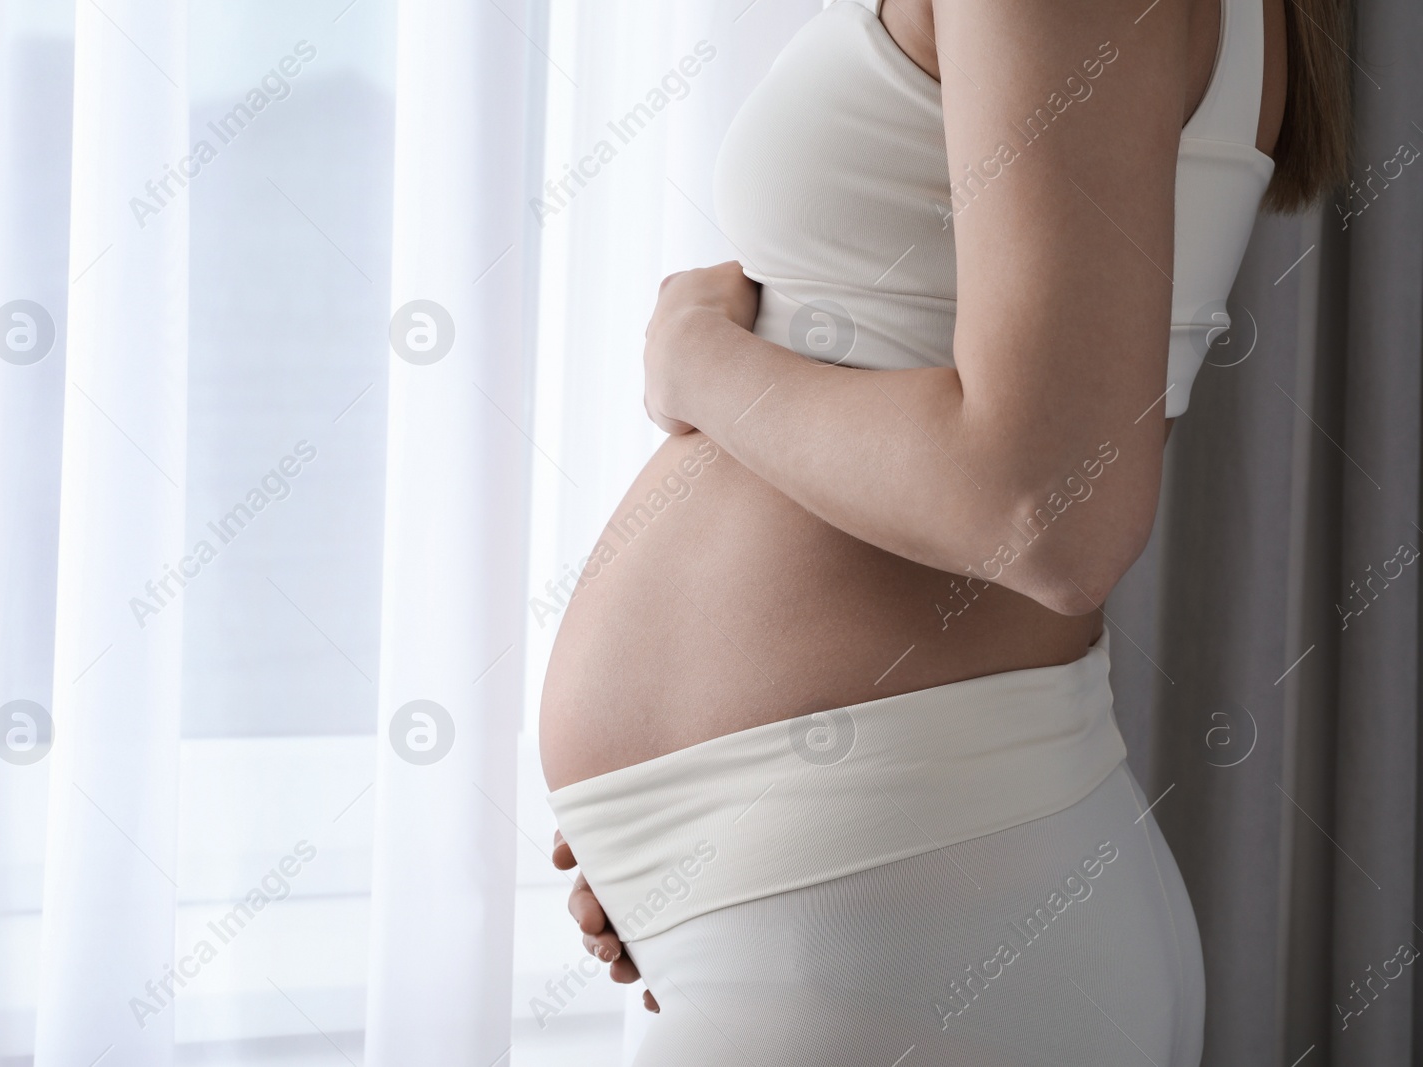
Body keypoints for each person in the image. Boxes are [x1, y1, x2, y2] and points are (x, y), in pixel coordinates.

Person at [541, 0, 1350, 1060]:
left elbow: (1049, 512)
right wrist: (682, 838)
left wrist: (696, 358)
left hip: (895, 910)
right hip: (867, 898)